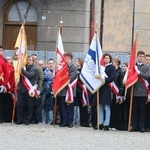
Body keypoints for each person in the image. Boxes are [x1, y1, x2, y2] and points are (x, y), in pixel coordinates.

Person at [130, 51, 150, 133]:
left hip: (143, 91)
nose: (141, 57)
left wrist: (139, 73)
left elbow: (147, 76)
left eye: (142, 56)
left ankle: (142, 126)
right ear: (137, 56)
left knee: (142, 110)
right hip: (134, 91)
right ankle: (134, 126)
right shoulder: (133, 66)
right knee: (134, 110)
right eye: (140, 56)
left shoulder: (147, 67)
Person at [16, 56, 38, 125]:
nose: (28, 61)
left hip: (29, 90)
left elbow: (29, 75)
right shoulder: (23, 67)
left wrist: (22, 70)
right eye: (27, 60)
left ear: (33, 62)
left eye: (30, 60)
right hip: (22, 89)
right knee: (20, 105)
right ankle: (20, 119)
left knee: (29, 106)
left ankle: (28, 120)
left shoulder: (34, 69)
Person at [97, 53, 116, 131]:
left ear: (110, 59)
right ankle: (100, 123)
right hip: (100, 88)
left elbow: (112, 77)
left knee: (107, 107)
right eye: (105, 58)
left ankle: (107, 124)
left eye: (108, 58)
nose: (106, 59)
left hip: (107, 88)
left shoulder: (112, 67)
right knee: (100, 106)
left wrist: (104, 80)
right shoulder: (100, 67)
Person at [59, 52, 78, 128]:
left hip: (70, 89)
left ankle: (70, 122)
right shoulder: (62, 66)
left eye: (65, 58)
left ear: (69, 58)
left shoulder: (74, 67)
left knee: (70, 106)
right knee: (63, 106)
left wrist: (62, 81)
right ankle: (64, 121)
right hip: (63, 90)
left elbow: (72, 77)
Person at [110, 58, 125, 130]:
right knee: (112, 109)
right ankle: (111, 123)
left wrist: (120, 94)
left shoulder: (120, 72)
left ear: (116, 63)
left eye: (113, 62)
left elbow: (122, 84)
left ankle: (116, 125)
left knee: (117, 110)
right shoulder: (112, 71)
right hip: (112, 92)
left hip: (117, 93)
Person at [74, 58, 89, 127]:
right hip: (75, 90)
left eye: (77, 61)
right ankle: (75, 121)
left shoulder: (84, 70)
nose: (76, 62)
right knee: (75, 107)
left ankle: (84, 122)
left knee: (83, 107)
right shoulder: (74, 70)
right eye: (75, 61)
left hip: (82, 90)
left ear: (80, 62)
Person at [31, 54, 44, 124]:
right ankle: (31, 119)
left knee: (38, 106)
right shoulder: (29, 67)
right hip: (30, 88)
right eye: (33, 58)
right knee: (31, 105)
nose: (34, 60)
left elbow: (41, 78)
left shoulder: (39, 68)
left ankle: (38, 120)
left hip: (37, 89)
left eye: (35, 58)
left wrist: (39, 89)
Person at [43, 59, 55, 124]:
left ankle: (51, 120)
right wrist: (46, 76)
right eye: (49, 63)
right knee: (45, 105)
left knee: (51, 106)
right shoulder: (45, 71)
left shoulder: (55, 71)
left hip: (52, 90)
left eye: (52, 63)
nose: (50, 64)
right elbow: (43, 80)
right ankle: (45, 120)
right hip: (46, 90)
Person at [0, 45, 9, 123]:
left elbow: (7, 73)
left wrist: (4, 84)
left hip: (1, 84)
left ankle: (1, 117)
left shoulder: (4, 61)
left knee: (1, 102)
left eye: (1, 50)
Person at [144, 54, 150, 132]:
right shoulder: (143, 69)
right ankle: (145, 126)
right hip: (144, 92)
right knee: (145, 110)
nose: (148, 61)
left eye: (149, 60)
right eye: (147, 59)